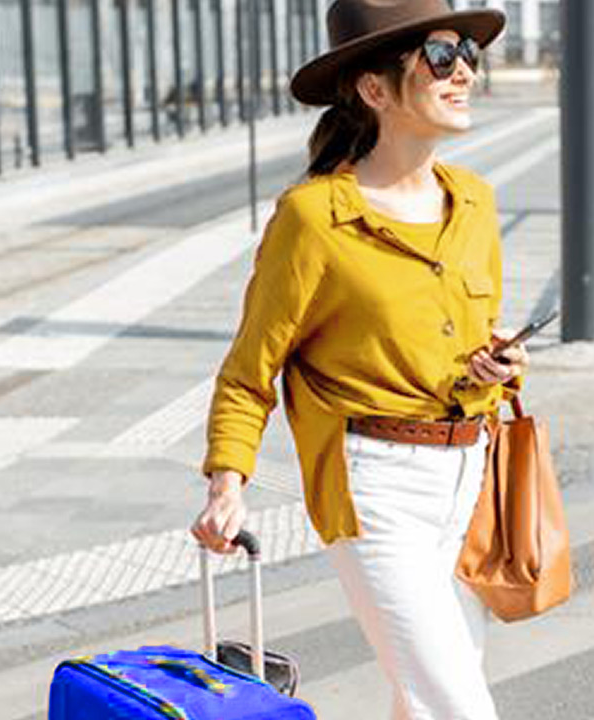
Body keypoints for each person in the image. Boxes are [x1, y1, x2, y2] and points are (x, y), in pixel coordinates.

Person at [189, 0, 528, 717]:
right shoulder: (314, 219)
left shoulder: (473, 201)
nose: (463, 69)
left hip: (468, 476)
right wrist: (227, 481)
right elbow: (251, 368)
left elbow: (475, 336)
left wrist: (497, 364)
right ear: (375, 90)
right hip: (374, 487)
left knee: (423, 697)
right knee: (458, 706)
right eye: (440, 57)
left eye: (466, 52)